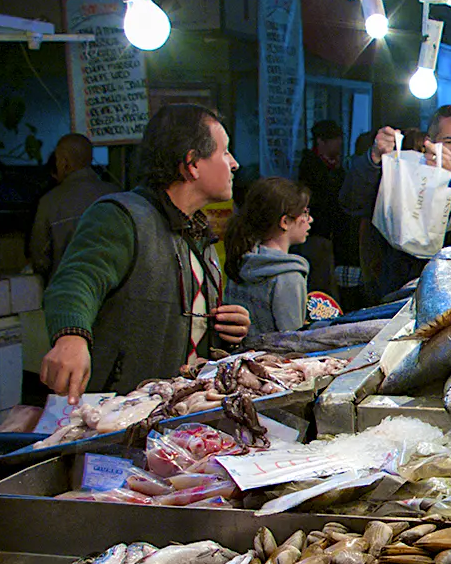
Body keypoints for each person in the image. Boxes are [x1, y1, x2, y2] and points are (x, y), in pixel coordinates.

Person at [40, 104, 251, 402]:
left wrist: (228, 330)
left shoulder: (200, 237)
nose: (234, 163)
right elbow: (76, 280)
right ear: (192, 163)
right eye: (225, 152)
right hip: (117, 418)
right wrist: (70, 336)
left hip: (178, 416)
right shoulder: (120, 217)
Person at [338, 106, 451, 302]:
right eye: (450, 141)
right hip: (400, 299)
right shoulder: (405, 181)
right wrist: (373, 159)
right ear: (431, 144)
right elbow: (351, 203)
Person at [223, 177, 313, 335]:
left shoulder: (241, 261)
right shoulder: (288, 275)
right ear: (284, 222)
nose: (310, 220)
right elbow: (293, 342)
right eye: (304, 213)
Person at [29, 133, 112, 280]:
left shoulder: (49, 202)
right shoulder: (117, 193)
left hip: (68, 292)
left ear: (64, 162)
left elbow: (40, 260)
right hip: (112, 291)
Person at [296, 119, 350, 275]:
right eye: (335, 139)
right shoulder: (310, 165)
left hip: (336, 234)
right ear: (321, 141)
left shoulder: (338, 166)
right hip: (317, 232)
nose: (339, 144)